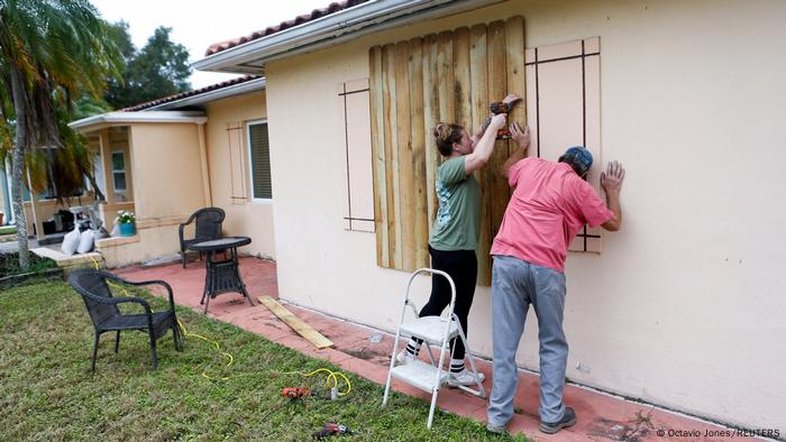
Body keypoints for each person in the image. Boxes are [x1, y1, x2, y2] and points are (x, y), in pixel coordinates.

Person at [486, 124, 626, 435]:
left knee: (505, 343)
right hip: (545, 269)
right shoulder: (579, 188)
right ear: (584, 174)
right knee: (551, 341)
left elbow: (506, 169)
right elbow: (613, 223)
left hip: (508, 260)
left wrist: (522, 145)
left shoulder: (531, 165)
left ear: (560, 158)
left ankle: (497, 417)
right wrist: (612, 192)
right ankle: (551, 415)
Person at [396, 95, 519, 387]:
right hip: (457, 251)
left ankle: (409, 352)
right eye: (465, 139)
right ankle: (457, 370)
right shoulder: (452, 167)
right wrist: (497, 125)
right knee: (459, 308)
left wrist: (499, 111)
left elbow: (477, 138)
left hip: (444, 246)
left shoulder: (453, 162)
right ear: (456, 147)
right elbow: (481, 156)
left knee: (438, 300)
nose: (471, 140)